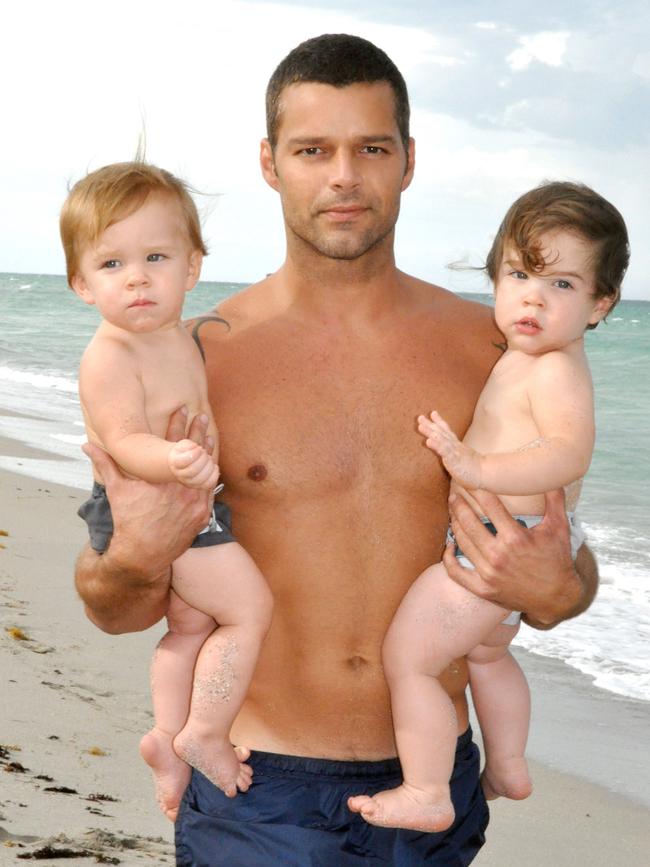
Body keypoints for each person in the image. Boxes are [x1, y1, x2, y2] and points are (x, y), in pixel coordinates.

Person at [73, 35, 600, 866]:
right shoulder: (199, 356)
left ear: (410, 161)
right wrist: (138, 550)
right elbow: (112, 603)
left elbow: (563, 549)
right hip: (256, 785)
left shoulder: (493, 348)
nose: (344, 176)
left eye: (372, 148)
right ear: (269, 162)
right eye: (313, 149)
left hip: (429, 784)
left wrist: (560, 586)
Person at [347, 181, 629, 832]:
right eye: (519, 273)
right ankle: (506, 762)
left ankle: (427, 788)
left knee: (410, 657)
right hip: (505, 536)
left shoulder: (556, 369)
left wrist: (477, 467)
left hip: (501, 542)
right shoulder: (527, 354)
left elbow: (568, 453)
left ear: (600, 303)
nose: (532, 295)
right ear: (495, 275)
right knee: (488, 656)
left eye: (561, 284)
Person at [60, 163, 273, 822]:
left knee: (190, 624)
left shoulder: (179, 336)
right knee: (248, 608)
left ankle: (165, 734)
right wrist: (173, 457)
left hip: (185, 493)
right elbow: (122, 440)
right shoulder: (111, 354)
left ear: (192, 267)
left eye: (156, 256)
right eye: (112, 263)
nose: (137, 277)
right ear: (81, 284)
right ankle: (205, 730)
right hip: (154, 501)